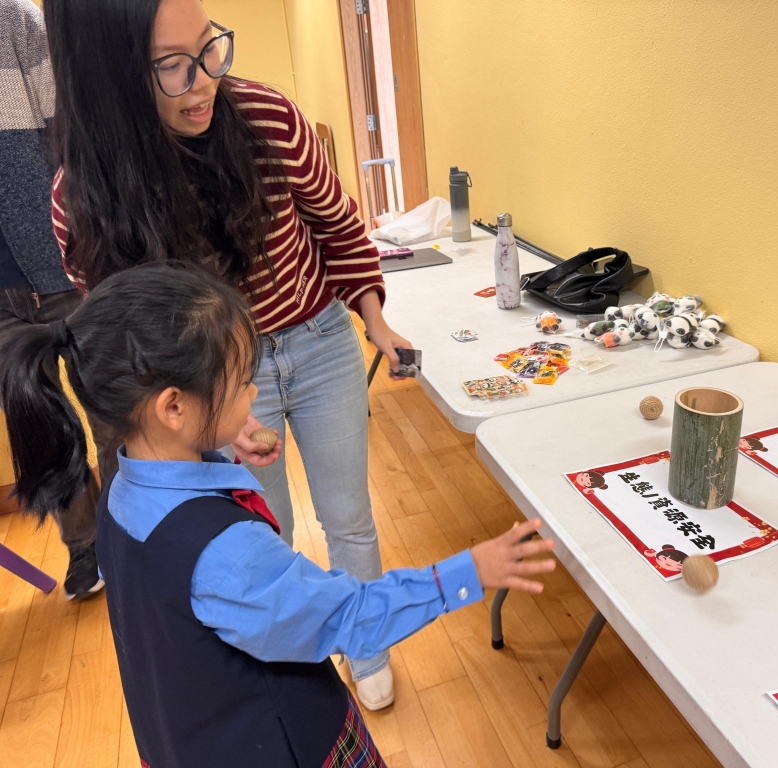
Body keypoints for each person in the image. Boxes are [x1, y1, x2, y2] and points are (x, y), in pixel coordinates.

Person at [0, 264, 556, 767]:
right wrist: (468, 572)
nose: (253, 393)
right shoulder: (226, 554)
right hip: (283, 742)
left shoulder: (121, 492)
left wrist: (219, 438)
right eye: (242, 382)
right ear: (174, 407)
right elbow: (348, 617)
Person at [46, 0, 410, 705]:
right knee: (261, 532)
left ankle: (365, 643)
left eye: (211, 48)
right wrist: (210, 411)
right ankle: (301, 668)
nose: (205, 80)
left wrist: (375, 319)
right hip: (213, 379)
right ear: (115, 77)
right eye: (173, 67)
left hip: (318, 340)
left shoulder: (267, 120)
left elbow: (338, 226)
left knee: (348, 515)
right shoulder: (85, 196)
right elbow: (130, 329)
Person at [0, 0, 102, 600]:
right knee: (44, 429)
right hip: (1, 300)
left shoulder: (16, 21)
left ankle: (138, 537)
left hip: (64, 268)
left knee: (113, 407)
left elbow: (70, 142)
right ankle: (84, 549)